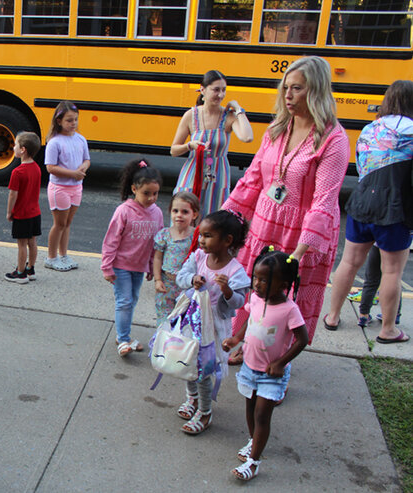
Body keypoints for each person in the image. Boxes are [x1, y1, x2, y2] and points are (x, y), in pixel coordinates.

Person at [222, 56, 349, 364]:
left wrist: (299, 255)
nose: (288, 95)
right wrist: (223, 221)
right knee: (256, 290)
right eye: (286, 88)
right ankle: (247, 344)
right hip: (265, 224)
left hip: (301, 235)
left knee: (285, 303)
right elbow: (252, 179)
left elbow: (325, 200)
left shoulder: (333, 140)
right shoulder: (278, 128)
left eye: (297, 88)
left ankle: (278, 367)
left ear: (316, 90)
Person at [322, 80, 413, 344]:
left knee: (349, 262)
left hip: (362, 201)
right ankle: (388, 330)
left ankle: (333, 316)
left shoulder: (370, 128)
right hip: (394, 208)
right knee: (392, 271)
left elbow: (362, 165)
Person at [223, 247, 309, 481]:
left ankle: (254, 462)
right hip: (249, 367)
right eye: (255, 278)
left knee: (262, 415)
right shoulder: (256, 299)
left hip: (271, 374)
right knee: (250, 409)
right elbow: (250, 320)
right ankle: (254, 442)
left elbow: (303, 339)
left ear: (284, 283)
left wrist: (281, 362)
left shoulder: (290, 309)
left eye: (264, 280)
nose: (257, 284)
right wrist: (236, 339)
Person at [175, 210, 251, 435]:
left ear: (227, 240)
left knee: (204, 370)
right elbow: (181, 277)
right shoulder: (198, 257)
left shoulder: (235, 271)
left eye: (208, 236)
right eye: (201, 235)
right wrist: (191, 279)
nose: (201, 240)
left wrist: (227, 289)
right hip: (191, 320)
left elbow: (238, 302)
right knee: (187, 363)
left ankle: (205, 412)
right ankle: (193, 398)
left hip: (214, 328)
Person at [101, 158, 164, 356]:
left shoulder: (157, 213)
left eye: (155, 193)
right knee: (124, 301)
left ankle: (124, 335)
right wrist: (107, 267)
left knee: (132, 300)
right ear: (134, 189)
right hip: (121, 266)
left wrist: (152, 266)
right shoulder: (124, 211)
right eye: (146, 193)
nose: (151, 198)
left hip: (139, 267)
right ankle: (123, 338)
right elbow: (111, 240)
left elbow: (158, 242)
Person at [171, 70, 253, 217]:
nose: (221, 95)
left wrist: (239, 109)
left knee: (214, 222)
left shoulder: (228, 117)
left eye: (224, 90)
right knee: (186, 218)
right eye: (216, 90)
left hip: (218, 176)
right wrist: (189, 145)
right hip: (192, 173)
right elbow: (174, 150)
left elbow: (247, 137)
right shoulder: (191, 115)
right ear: (203, 90)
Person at [44, 100, 90, 272]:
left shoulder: (80, 139)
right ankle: (51, 256)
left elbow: (87, 159)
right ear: (59, 121)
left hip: (76, 187)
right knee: (59, 223)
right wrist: (73, 174)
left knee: (68, 222)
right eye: (69, 120)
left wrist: (83, 168)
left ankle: (63, 254)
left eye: (75, 120)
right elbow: (50, 167)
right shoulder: (55, 142)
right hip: (60, 188)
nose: (73, 124)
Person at [153, 191, 201, 326]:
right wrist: (157, 280)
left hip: (187, 285)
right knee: (164, 316)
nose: (179, 215)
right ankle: (162, 342)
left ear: (194, 214)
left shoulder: (196, 236)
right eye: (175, 211)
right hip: (166, 283)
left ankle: (178, 344)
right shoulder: (165, 235)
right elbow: (157, 258)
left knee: (183, 317)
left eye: (185, 212)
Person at [4, 131, 42, 284]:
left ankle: (20, 273)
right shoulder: (37, 168)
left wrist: (9, 212)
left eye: (16, 145)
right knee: (32, 242)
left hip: (22, 214)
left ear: (23, 150)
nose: (13, 148)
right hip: (35, 212)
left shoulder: (17, 172)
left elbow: (13, 195)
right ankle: (30, 268)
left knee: (21, 245)